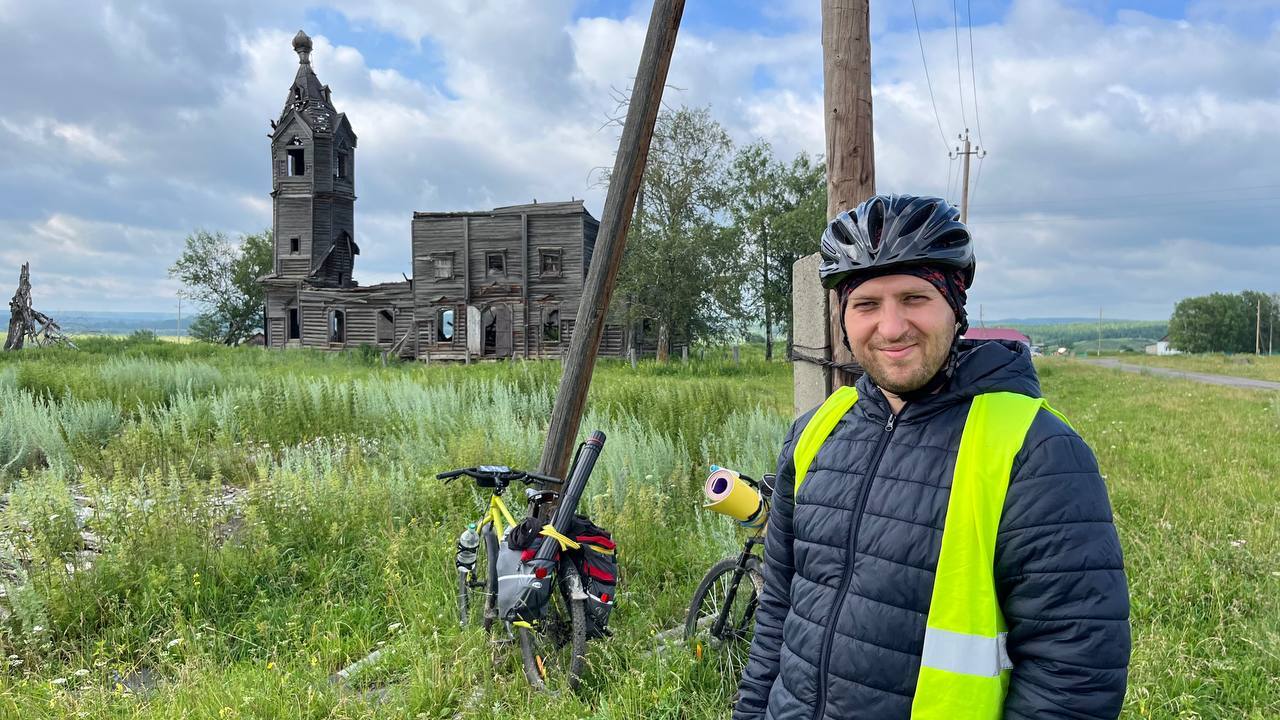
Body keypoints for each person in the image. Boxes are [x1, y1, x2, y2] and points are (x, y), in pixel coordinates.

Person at [734, 195, 1129, 720]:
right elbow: (780, 610)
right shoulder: (816, 431)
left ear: (955, 306)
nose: (892, 327)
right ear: (844, 317)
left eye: (914, 298)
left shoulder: (1034, 449)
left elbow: (1074, 672)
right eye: (866, 304)